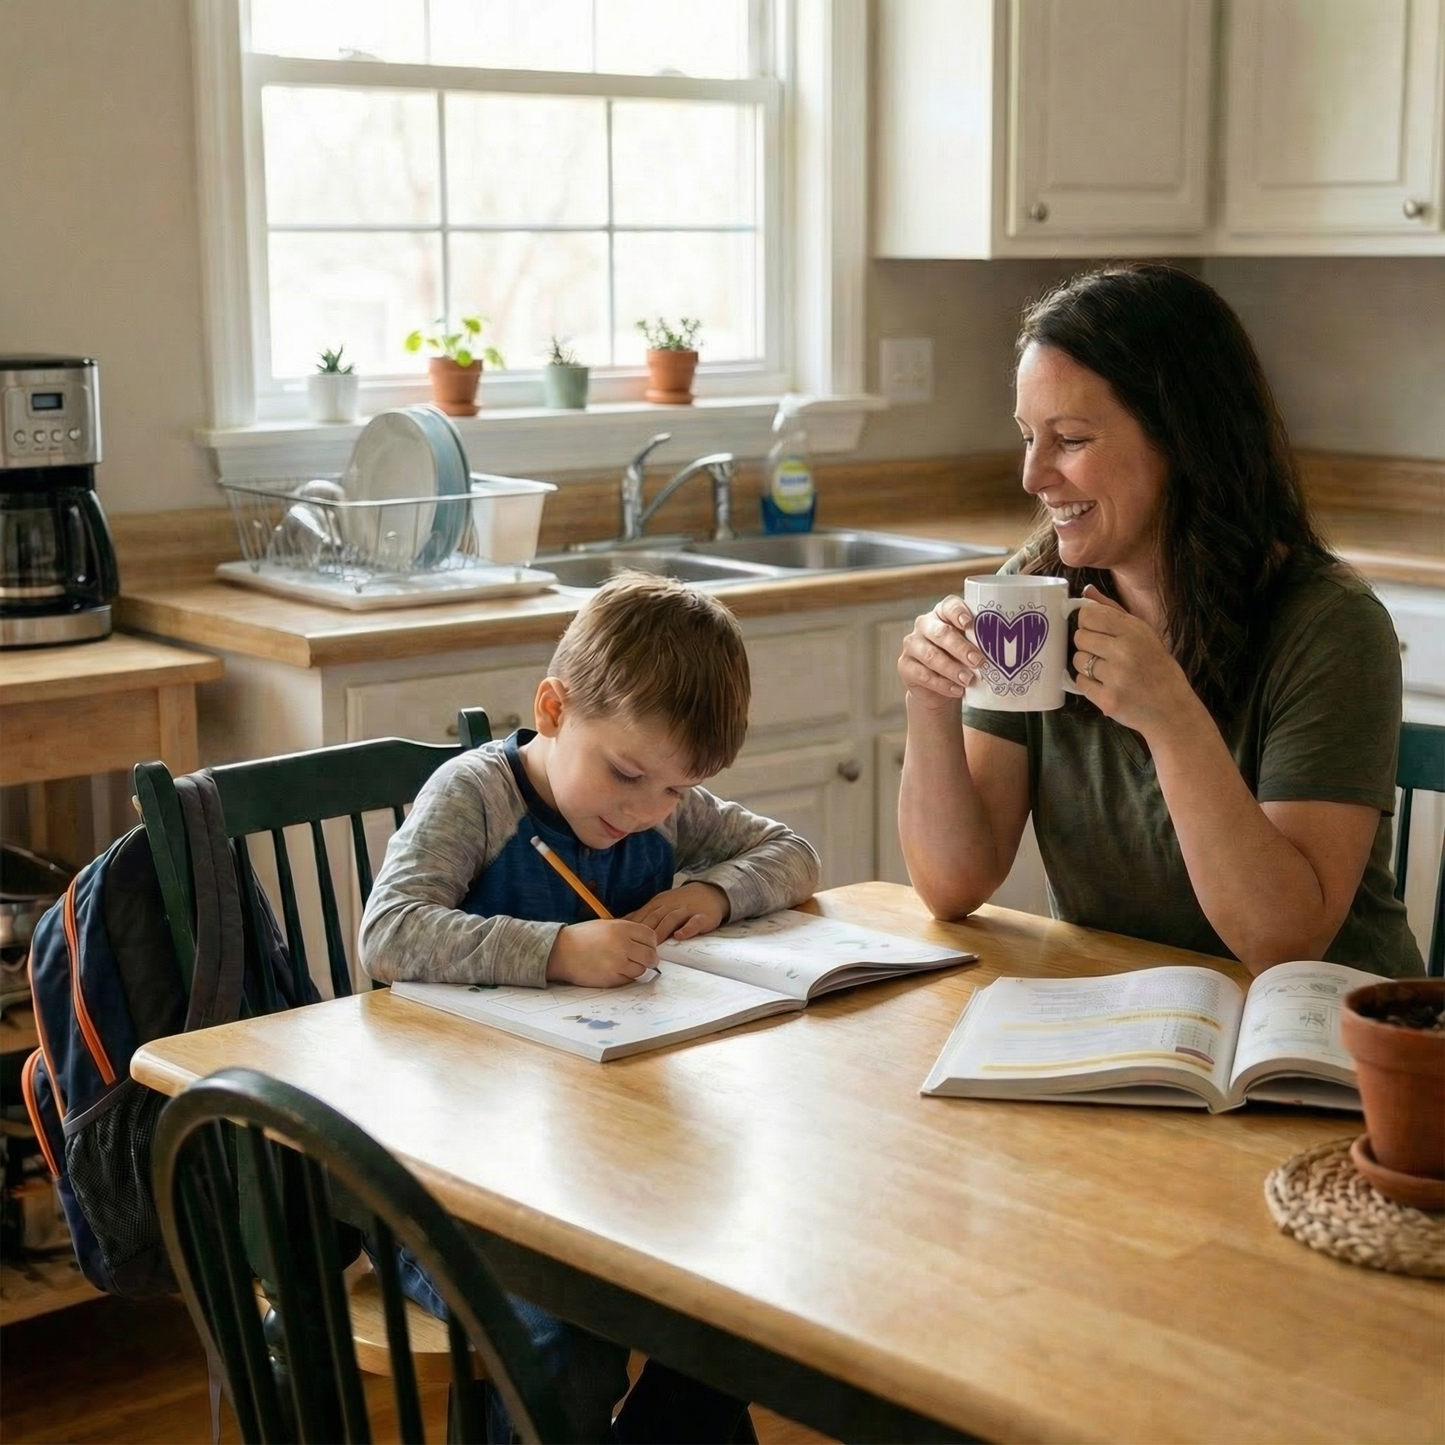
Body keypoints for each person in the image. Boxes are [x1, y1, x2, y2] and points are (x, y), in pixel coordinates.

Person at [360, 570, 820, 1443]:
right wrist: (558, 950)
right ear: (554, 708)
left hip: (605, 1173)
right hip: (449, 1184)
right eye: (629, 774)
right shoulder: (477, 796)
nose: (646, 809)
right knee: (560, 1348)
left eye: (677, 791)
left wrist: (717, 896)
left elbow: (789, 850)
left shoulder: (655, 808)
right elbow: (388, 932)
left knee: (727, 1315)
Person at [897, 262, 1423, 979]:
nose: (1032, 475)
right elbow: (952, 885)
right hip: (1124, 1016)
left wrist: (1171, 717)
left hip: (1321, 1042)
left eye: (1071, 439)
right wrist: (929, 702)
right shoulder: (1034, 596)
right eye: (1027, 436)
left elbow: (1283, 941)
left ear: (1182, 439)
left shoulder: (1329, 627)